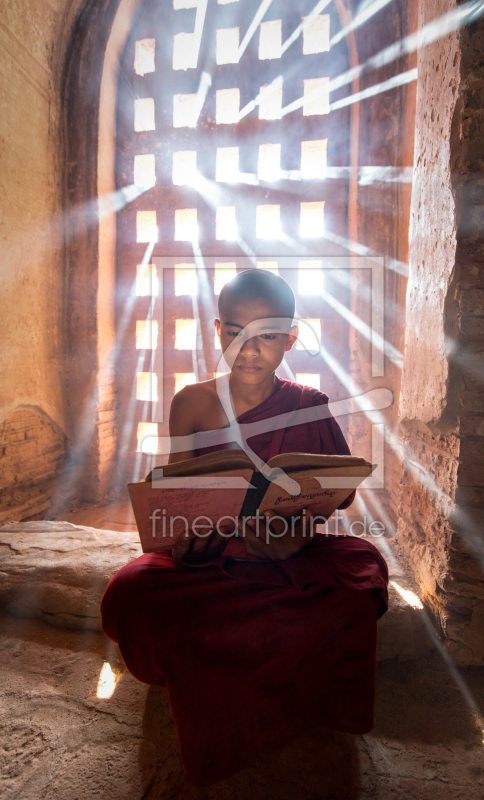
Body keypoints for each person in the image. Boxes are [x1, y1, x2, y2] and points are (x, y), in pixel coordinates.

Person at [101, 269, 388, 787]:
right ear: (217, 332)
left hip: (287, 553)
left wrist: (299, 535)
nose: (249, 350)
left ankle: (242, 684)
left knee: (362, 571)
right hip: (209, 559)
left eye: (267, 336)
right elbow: (178, 496)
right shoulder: (191, 402)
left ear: (291, 339)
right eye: (235, 333)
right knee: (128, 591)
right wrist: (187, 544)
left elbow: (334, 492)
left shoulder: (309, 405)